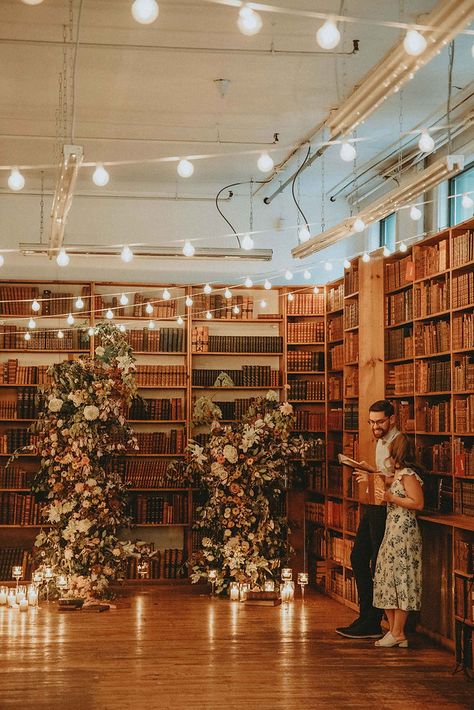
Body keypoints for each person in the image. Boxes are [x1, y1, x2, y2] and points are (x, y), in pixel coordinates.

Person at [336, 400, 399, 639]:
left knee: (376, 563)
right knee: (359, 557)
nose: (375, 426)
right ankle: (367, 617)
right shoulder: (381, 441)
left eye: (380, 421)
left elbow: (406, 479)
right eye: (371, 422)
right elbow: (387, 474)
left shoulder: (398, 443)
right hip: (374, 505)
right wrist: (371, 471)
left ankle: (372, 620)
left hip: (387, 509)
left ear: (392, 419)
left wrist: (373, 477)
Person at [373, 433, 424, 647]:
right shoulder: (399, 474)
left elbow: (418, 503)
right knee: (385, 577)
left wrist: (391, 498)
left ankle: (398, 631)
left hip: (404, 534)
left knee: (402, 580)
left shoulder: (409, 475)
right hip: (393, 531)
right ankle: (396, 632)